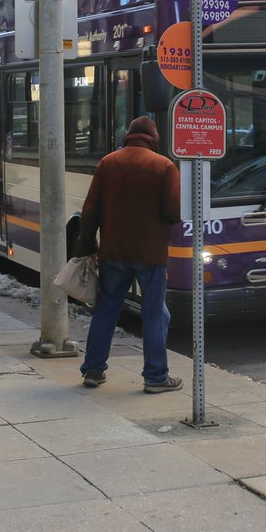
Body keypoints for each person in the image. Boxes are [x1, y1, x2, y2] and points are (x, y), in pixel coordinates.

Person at [74, 116, 182, 393]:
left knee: (107, 310)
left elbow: (90, 211)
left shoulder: (108, 163)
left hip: (114, 252)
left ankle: (94, 370)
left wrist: (87, 246)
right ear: (154, 138)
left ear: (129, 136)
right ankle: (156, 377)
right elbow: (173, 213)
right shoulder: (165, 166)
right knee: (154, 313)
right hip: (151, 254)